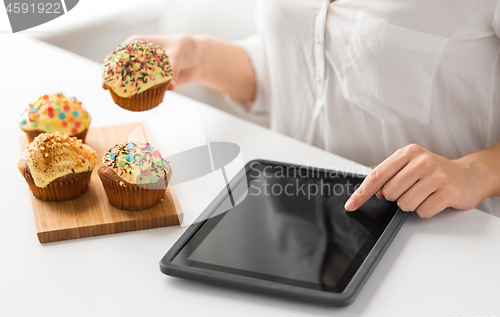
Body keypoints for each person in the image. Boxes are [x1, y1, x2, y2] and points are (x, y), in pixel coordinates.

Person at [120, 0, 500, 218]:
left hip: (433, 229)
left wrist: (474, 171)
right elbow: (299, 70)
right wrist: (201, 57)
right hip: (289, 210)